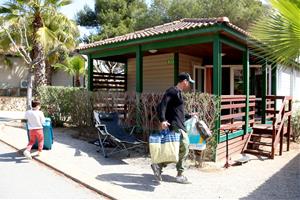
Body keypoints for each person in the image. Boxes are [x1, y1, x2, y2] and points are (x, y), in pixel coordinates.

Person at [152, 72, 195, 184]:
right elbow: (162, 105)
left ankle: (158, 165)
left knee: (175, 150)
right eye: (189, 82)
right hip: (176, 126)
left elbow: (177, 112)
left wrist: (190, 115)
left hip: (179, 124)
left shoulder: (179, 93)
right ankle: (180, 174)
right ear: (184, 81)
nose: (189, 84)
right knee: (184, 146)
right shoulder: (172, 91)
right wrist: (162, 120)